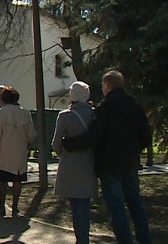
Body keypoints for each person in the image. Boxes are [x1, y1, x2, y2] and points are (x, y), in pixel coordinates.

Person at [92, 70, 152, 244]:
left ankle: (125, 240)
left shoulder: (105, 107)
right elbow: (145, 135)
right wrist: (134, 149)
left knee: (117, 208)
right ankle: (145, 239)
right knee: (135, 204)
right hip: (130, 162)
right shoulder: (134, 105)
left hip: (109, 164)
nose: (102, 88)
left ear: (108, 85)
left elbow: (97, 135)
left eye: (103, 85)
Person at [51, 81, 97, 244]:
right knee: (84, 204)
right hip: (89, 163)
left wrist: (62, 154)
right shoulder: (95, 114)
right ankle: (84, 237)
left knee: (74, 205)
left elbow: (55, 143)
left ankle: (80, 238)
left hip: (69, 164)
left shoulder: (65, 115)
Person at [0, 86, 35, 217]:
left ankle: (2, 207)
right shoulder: (25, 113)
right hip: (19, 151)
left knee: (2, 179)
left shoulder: (1, 113)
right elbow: (31, 134)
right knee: (17, 179)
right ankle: (15, 207)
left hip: (3, 152)